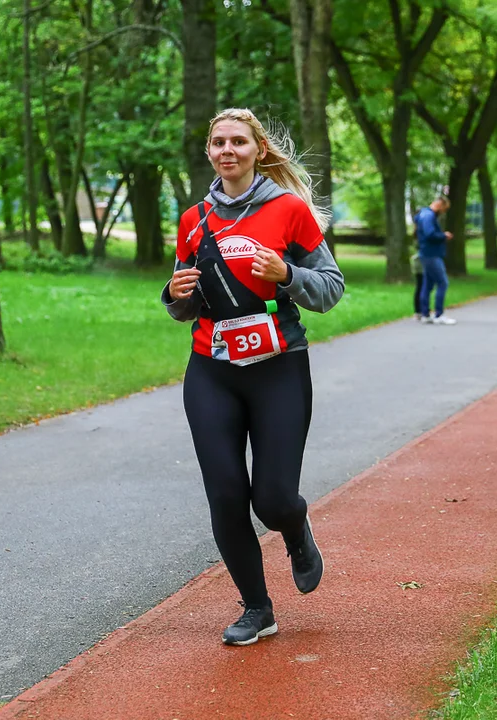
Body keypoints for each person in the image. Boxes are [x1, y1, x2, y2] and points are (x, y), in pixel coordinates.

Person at [163, 108, 345, 646]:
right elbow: (183, 302)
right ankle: (257, 608)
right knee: (225, 493)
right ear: (209, 152)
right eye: (218, 142)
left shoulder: (289, 210)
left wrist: (286, 275)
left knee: (271, 498)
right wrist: (174, 297)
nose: (227, 150)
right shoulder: (193, 219)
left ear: (257, 150)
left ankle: (295, 527)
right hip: (211, 371)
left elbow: (331, 288)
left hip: (279, 370)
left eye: (238, 141)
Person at [416, 195, 456, 325]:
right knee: (443, 283)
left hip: (426, 253)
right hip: (431, 254)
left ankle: (425, 314)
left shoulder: (423, 214)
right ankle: (439, 314)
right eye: (444, 209)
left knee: (427, 285)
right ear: (440, 205)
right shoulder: (428, 216)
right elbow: (430, 234)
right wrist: (443, 235)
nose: (443, 212)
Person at [410, 249, 425, 321]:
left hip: (420, 261)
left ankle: (419, 311)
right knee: (421, 287)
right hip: (422, 262)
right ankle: (419, 311)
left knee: (421, 287)